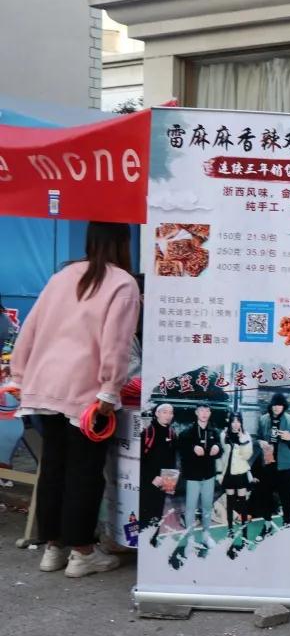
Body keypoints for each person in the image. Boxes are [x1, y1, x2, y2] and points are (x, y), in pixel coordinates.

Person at [4, 222, 139, 577]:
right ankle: (82, 552)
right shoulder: (123, 283)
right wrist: (109, 389)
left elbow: (30, 328)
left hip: (43, 385)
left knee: (54, 467)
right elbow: (116, 344)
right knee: (85, 472)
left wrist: (19, 375)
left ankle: (53, 548)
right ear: (123, 242)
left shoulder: (61, 277)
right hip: (87, 395)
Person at [179, 402, 222, 548]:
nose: (204, 413)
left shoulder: (214, 431)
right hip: (193, 476)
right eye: (201, 410)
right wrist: (192, 448)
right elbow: (181, 450)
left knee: (207, 507)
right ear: (196, 412)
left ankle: (206, 536)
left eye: (207, 411)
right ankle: (190, 538)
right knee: (190, 508)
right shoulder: (187, 432)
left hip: (209, 475)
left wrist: (218, 447)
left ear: (210, 413)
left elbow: (220, 450)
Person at [256, 393, 290, 530]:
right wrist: (260, 442)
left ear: (284, 407)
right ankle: (267, 523)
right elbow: (258, 437)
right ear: (271, 406)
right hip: (268, 463)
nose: (276, 407)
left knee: (286, 495)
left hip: (284, 465)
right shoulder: (263, 419)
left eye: (280, 405)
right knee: (266, 495)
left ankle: (288, 521)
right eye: (274, 405)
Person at [140, 403, 177, 534]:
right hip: (148, 481)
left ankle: (153, 540)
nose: (168, 415)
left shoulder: (172, 434)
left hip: (165, 479)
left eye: (171, 413)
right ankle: (144, 540)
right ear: (157, 414)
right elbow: (141, 460)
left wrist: (169, 482)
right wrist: (151, 477)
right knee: (146, 513)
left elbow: (172, 459)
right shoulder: (148, 432)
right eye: (165, 412)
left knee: (158, 513)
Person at [217, 412, 254, 538]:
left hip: (241, 472)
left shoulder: (246, 435)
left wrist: (242, 439)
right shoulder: (224, 435)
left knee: (243, 504)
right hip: (228, 473)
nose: (235, 424)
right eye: (233, 421)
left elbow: (247, 456)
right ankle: (230, 530)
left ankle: (244, 534)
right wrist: (220, 474)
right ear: (230, 422)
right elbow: (222, 456)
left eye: (238, 421)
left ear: (241, 422)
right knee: (230, 503)